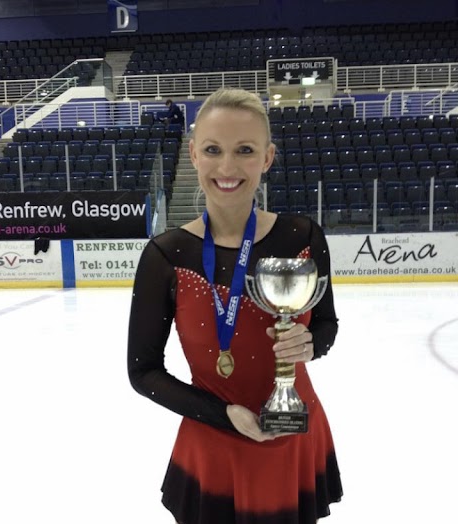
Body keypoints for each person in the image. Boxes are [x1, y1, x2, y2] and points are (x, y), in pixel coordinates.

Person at [128, 88, 343, 524]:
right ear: (193, 155)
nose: (227, 167)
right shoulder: (165, 256)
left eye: (244, 150)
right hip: (213, 440)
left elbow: (326, 325)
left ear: (267, 157)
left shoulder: (303, 237)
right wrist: (224, 414)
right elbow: (142, 370)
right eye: (213, 150)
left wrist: (309, 343)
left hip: (294, 431)